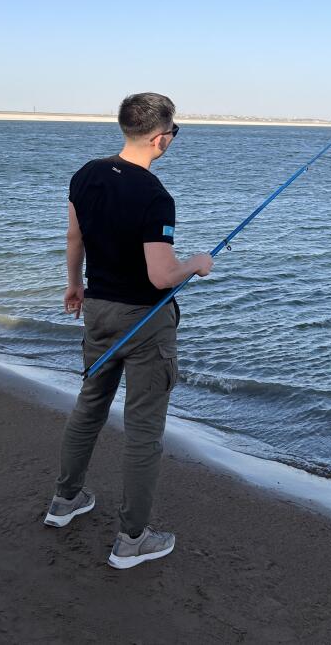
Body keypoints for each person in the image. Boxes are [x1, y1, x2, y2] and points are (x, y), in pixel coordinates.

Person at [43, 92, 213, 569]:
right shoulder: (155, 196)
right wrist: (195, 265)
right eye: (174, 132)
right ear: (161, 139)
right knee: (143, 432)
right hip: (144, 321)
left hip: (97, 310)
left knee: (89, 407)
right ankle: (132, 539)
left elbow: (75, 238)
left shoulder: (86, 174)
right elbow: (161, 276)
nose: (172, 139)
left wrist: (74, 286)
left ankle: (64, 501)